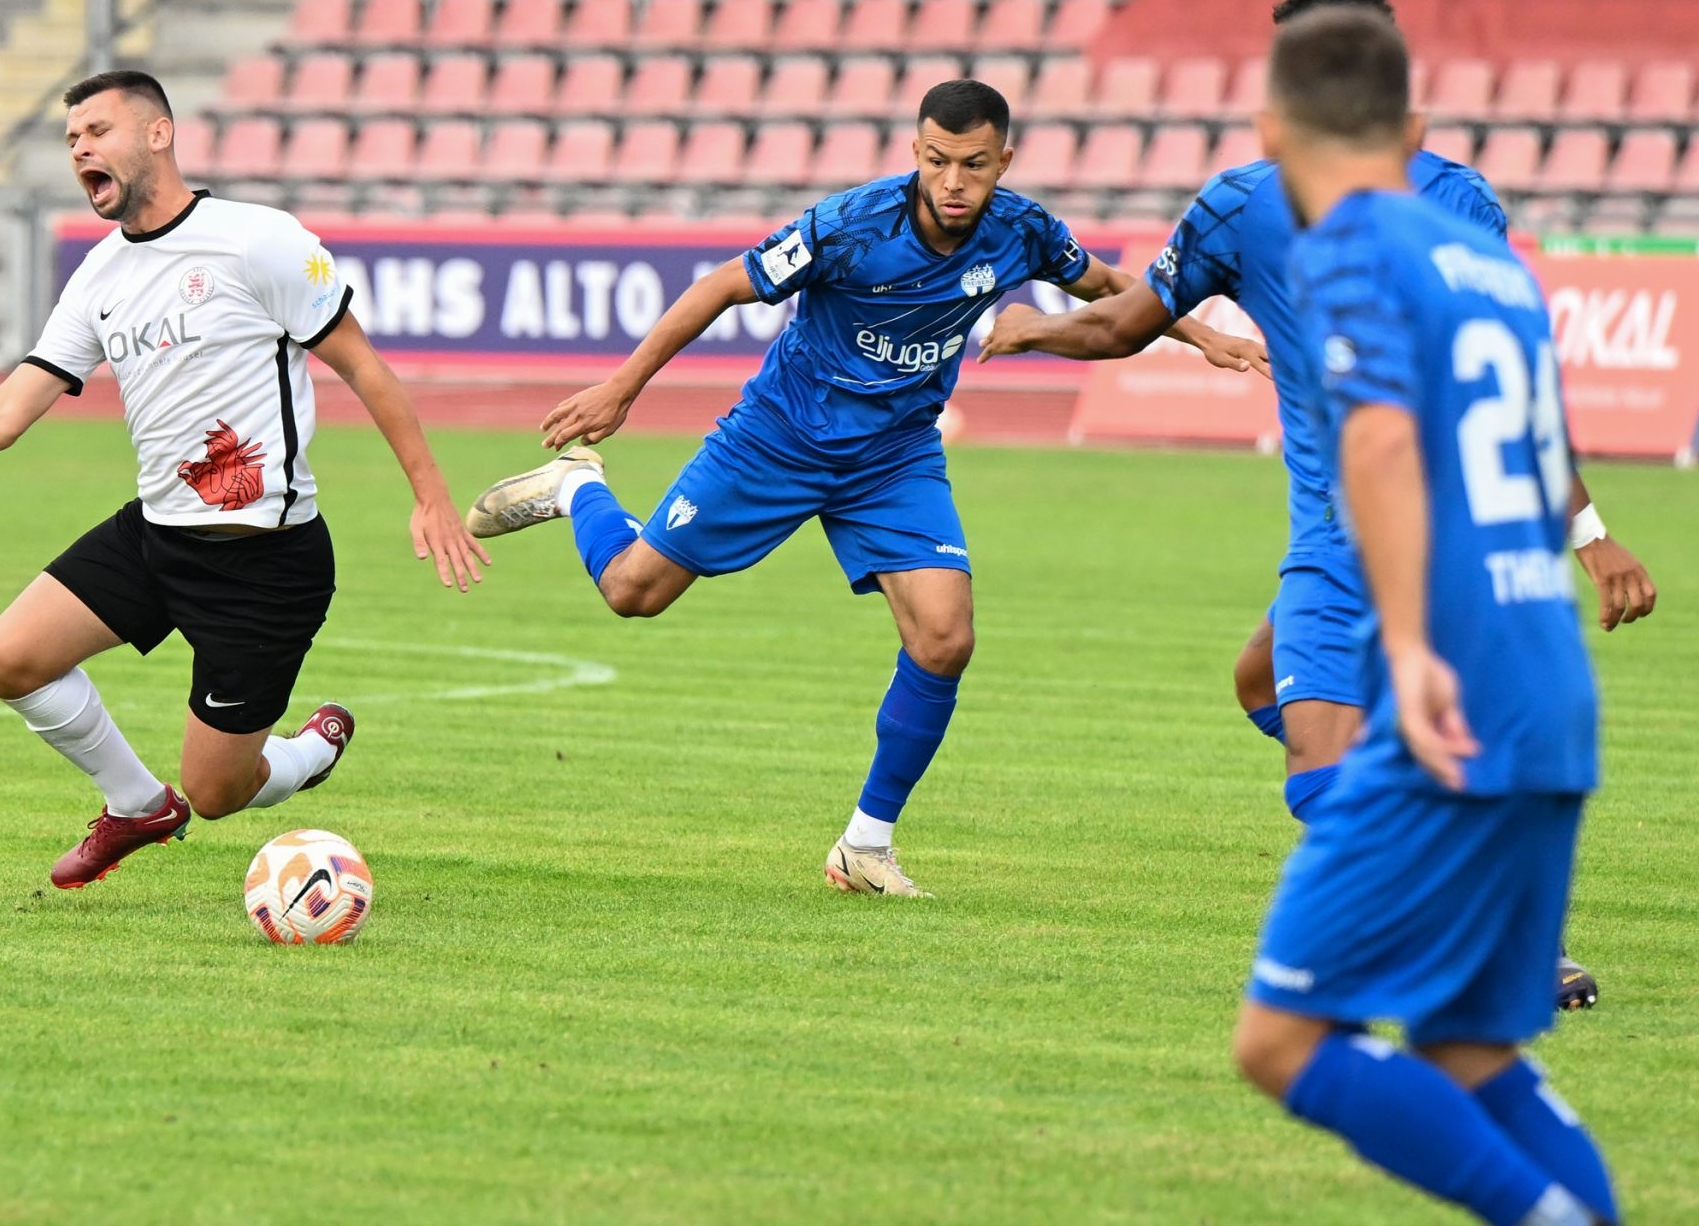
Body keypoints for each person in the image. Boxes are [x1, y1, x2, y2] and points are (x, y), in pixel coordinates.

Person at [978, 0, 1653, 1009]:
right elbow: (1124, 321)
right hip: (1449, 538)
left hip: (1362, 532)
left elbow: (1492, 382)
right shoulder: (1282, 205)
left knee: (1320, 759)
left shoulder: (1310, 201)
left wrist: (1592, 527)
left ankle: (1487, 932)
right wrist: (1047, 331)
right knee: (1261, 683)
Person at [461, 80, 1266, 896]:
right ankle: (576, 489)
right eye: (938, 161)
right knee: (633, 592)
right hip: (780, 439)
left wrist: (1199, 333)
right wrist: (622, 388)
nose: (954, 182)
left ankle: (865, 845)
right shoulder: (849, 227)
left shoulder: (1021, 229)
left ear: (1005, 162)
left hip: (894, 457)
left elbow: (1101, 284)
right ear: (915, 153)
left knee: (946, 638)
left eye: (975, 165)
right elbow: (720, 288)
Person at [0, 70, 488, 888]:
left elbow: (367, 371)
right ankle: (134, 805)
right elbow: (5, 408)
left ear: (159, 134)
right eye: (71, 141)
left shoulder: (256, 239)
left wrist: (431, 494)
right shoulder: (99, 278)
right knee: (8, 658)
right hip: (157, 535)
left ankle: (309, 751)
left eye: (96, 131)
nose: (80, 149)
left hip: (265, 566)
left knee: (218, 791)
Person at [1229, 7, 1618, 1225]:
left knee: (1282, 1037)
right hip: (1549, 680)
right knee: (1469, 1044)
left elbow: (1383, 440)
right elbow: (1548, 458)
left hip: (1451, 690)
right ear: (1414, 130)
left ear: (1269, 129)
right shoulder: (1489, 255)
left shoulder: (1346, 246)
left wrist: (1403, 644)